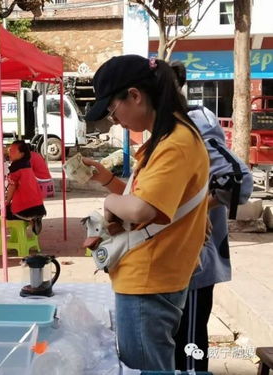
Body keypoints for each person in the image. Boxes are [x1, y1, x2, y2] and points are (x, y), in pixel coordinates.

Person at [83, 55, 209, 371]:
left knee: (146, 368)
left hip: (149, 280)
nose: (116, 120)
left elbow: (141, 207)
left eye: (113, 111)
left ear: (135, 95)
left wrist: (110, 205)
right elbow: (151, 198)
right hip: (152, 275)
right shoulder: (171, 136)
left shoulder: (175, 143)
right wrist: (110, 183)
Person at [170, 61, 254, 371]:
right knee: (176, 345)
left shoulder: (194, 124)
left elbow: (239, 181)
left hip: (195, 263)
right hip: (174, 264)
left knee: (190, 351)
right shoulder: (171, 128)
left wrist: (200, 207)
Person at [5, 140, 46, 234]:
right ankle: (34, 218)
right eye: (10, 150)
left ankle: (30, 219)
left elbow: (12, 187)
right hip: (39, 207)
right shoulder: (27, 166)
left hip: (24, 209)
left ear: (22, 154)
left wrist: (7, 202)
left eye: (13, 151)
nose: (10, 153)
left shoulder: (15, 168)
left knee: (3, 212)